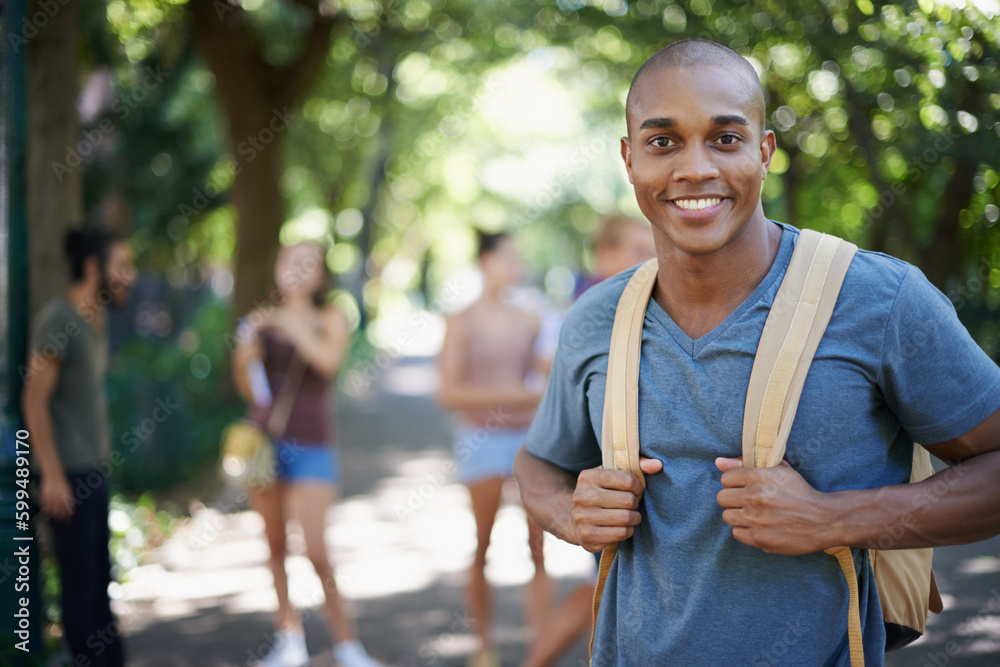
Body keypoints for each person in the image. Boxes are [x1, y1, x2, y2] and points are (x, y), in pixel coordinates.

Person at [513, 38, 1000, 666]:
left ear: (764, 151)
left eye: (724, 138)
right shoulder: (595, 320)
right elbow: (535, 466)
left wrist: (832, 519)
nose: (695, 168)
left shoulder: (881, 301)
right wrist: (567, 511)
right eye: (663, 142)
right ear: (630, 160)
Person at [232, 242, 379, 667]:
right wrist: (246, 354)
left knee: (316, 549)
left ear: (320, 275)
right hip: (265, 444)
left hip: (313, 444)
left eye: (308, 264)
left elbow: (328, 363)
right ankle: (288, 640)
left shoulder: (330, 315)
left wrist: (289, 322)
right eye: (290, 261)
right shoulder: (258, 322)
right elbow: (249, 388)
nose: (297, 270)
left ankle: (348, 646)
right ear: (276, 268)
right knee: (275, 543)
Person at [524, 215, 653, 667]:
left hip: (624, 481)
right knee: (597, 586)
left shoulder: (648, 307)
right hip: (590, 466)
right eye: (638, 249)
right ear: (605, 255)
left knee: (606, 588)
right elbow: (545, 368)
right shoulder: (587, 314)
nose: (651, 259)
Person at [22, 227, 136, 667]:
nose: (131, 275)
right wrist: (49, 474)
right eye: (122, 266)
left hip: (93, 471)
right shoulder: (58, 320)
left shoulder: (94, 320)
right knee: (80, 592)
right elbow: (34, 399)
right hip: (66, 476)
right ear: (94, 268)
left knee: (98, 590)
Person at [437, 230, 551, 667]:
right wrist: (520, 394)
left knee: (538, 545)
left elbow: (547, 373)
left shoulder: (529, 319)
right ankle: (484, 647)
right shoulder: (460, 321)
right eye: (507, 258)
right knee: (482, 544)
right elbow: (450, 392)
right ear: (485, 261)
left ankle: (541, 644)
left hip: (528, 440)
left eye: (517, 259)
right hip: (481, 440)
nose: (515, 266)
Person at [573, 215, 656, 299]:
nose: (649, 262)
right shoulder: (588, 303)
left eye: (652, 255)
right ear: (606, 252)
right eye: (640, 253)